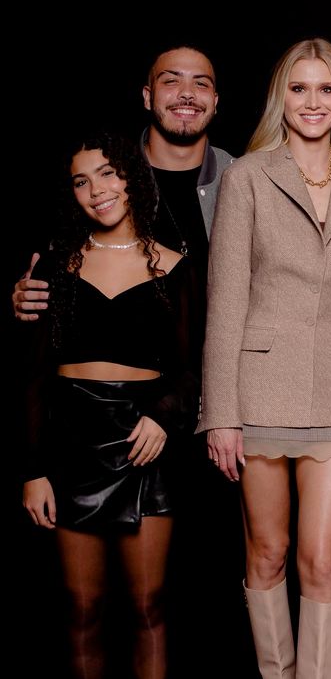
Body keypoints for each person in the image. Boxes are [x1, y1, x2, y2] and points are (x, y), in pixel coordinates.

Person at [197, 38, 331, 678]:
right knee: (268, 552)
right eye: (299, 88)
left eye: (326, 89)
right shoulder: (246, 177)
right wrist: (220, 414)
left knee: (321, 558)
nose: (313, 101)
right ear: (280, 98)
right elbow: (226, 299)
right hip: (257, 389)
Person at [21, 132, 202, 678]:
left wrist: (164, 416)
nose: (97, 190)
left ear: (131, 178)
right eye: (81, 181)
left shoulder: (176, 265)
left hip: (144, 445)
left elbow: (194, 366)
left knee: (148, 607)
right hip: (70, 444)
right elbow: (33, 376)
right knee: (83, 609)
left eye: (107, 173)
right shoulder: (54, 266)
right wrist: (34, 470)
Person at [12, 44, 234, 319]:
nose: (187, 93)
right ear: (147, 97)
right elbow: (63, 267)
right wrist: (30, 294)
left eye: (201, 83)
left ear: (215, 101)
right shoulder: (106, 179)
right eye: (171, 81)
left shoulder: (245, 179)